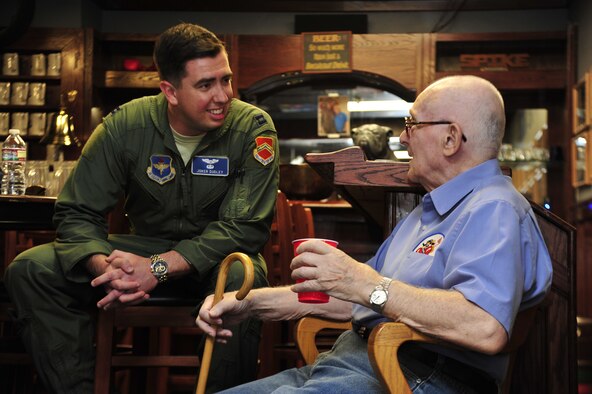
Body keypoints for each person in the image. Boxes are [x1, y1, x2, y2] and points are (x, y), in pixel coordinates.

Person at [196, 75, 553, 393]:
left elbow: (484, 326)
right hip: (354, 362)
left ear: (451, 138)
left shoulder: (495, 208)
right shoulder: (428, 212)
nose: (402, 137)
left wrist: (367, 283)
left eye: (412, 124)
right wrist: (251, 304)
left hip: (416, 374)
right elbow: (358, 299)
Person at [4, 23, 278, 393]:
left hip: (218, 258)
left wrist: (158, 268)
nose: (223, 95)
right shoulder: (125, 126)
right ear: (170, 91)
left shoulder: (253, 128)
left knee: (243, 278)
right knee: (29, 269)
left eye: (225, 80)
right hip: (143, 248)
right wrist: (104, 267)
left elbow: (243, 228)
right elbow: (78, 212)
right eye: (205, 85)